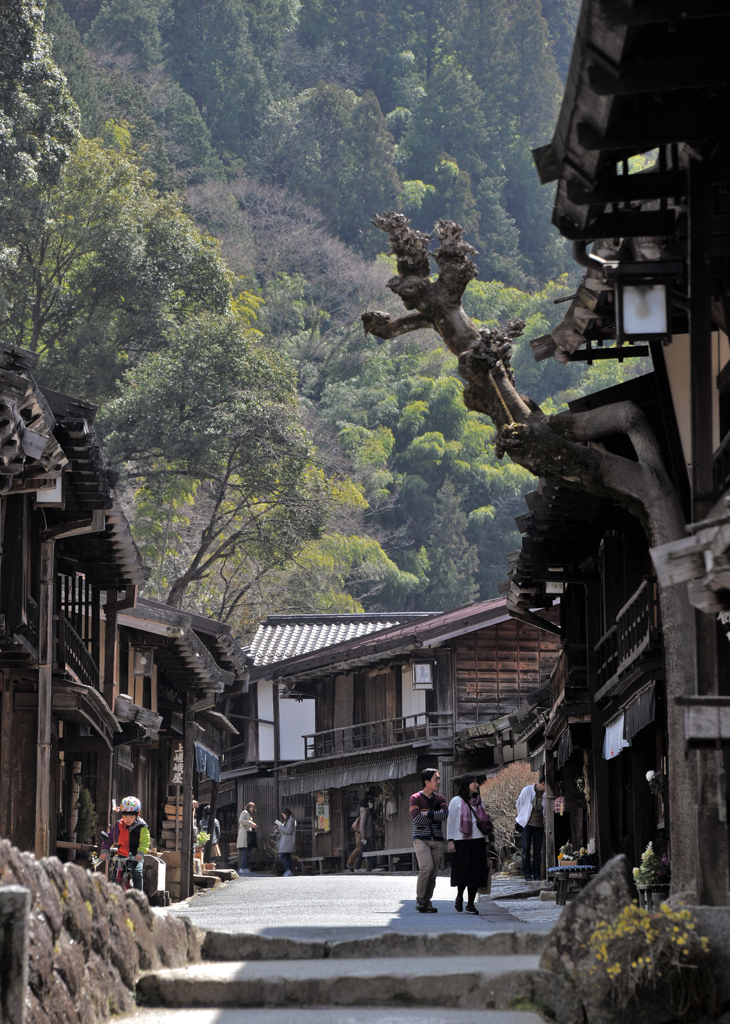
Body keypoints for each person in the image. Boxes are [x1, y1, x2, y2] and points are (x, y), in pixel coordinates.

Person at [447, 774, 493, 915]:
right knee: (463, 872)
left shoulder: (479, 801)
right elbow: (451, 822)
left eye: (477, 782)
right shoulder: (456, 801)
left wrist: (486, 842)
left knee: (476, 873)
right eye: (473, 782)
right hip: (461, 841)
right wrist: (450, 840)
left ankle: (471, 904)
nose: (476, 785)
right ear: (466, 784)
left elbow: (483, 822)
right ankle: (460, 896)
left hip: (478, 840)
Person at [410, 768, 448, 913]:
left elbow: (445, 815)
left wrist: (428, 813)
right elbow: (417, 818)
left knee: (433, 873)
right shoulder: (415, 798)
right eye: (436, 779)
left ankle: (427, 902)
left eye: (439, 778)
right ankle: (420, 900)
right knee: (427, 867)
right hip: (421, 839)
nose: (438, 781)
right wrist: (434, 815)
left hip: (437, 839)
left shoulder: (440, 799)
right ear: (427, 782)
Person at [100, 795, 150, 891]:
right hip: (122, 855)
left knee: (137, 872)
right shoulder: (119, 824)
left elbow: (145, 842)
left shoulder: (142, 827)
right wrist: (105, 849)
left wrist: (140, 853)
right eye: (125, 815)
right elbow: (110, 837)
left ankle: (139, 896)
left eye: (131, 816)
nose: (128, 818)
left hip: (136, 856)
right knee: (115, 874)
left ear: (137, 814)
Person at [515, 771, 546, 882]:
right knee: (526, 849)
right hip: (527, 824)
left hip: (539, 825)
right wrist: (522, 816)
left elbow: (546, 809)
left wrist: (545, 817)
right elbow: (518, 804)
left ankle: (536, 874)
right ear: (543, 783)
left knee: (537, 851)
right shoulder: (528, 790)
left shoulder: (546, 794)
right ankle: (527, 874)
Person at [354, 795, 377, 872]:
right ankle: (373, 867)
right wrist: (363, 836)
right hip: (365, 836)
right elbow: (362, 825)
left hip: (366, 835)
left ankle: (357, 867)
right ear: (366, 803)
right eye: (369, 802)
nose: (371, 803)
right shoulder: (365, 812)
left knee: (362, 852)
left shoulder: (367, 811)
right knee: (371, 851)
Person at [237, 801, 257, 876]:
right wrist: (250, 823)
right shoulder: (245, 812)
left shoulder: (248, 814)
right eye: (251, 807)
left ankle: (244, 867)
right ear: (248, 807)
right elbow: (241, 821)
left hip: (247, 835)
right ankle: (242, 868)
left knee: (247, 852)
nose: (252, 808)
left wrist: (252, 825)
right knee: (245, 852)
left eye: (253, 807)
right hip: (244, 835)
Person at [275, 808, 297, 876]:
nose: (283, 817)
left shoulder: (291, 820)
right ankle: (290, 871)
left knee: (282, 856)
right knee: (287, 857)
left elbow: (289, 831)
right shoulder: (290, 820)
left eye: (284, 815)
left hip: (287, 842)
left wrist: (281, 827)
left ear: (286, 814)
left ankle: (288, 870)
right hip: (287, 842)